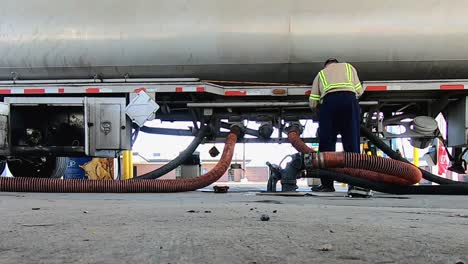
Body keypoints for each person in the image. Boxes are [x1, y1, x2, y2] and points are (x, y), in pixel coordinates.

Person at [309, 59, 369, 195]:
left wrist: (316, 109)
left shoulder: (321, 73)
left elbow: (313, 100)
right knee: (351, 143)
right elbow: (359, 91)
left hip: (329, 104)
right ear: (337, 63)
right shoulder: (349, 67)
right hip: (349, 101)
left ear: (326, 65)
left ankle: (327, 185)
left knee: (327, 145)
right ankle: (354, 184)